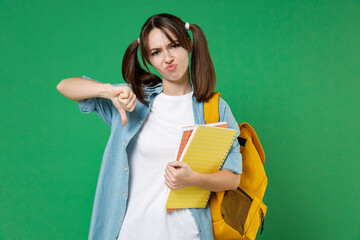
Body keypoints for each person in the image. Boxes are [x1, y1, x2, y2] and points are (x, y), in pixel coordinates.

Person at [57, 13, 242, 240]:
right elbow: (65, 86)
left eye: (173, 46)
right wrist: (107, 91)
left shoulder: (214, 108)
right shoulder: (131, 100)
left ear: (188, 45)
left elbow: (233, 179)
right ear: (149, 60)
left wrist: (192, 179)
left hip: (187, 234)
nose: (167, 58)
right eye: (156, 52)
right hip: (131, 233)